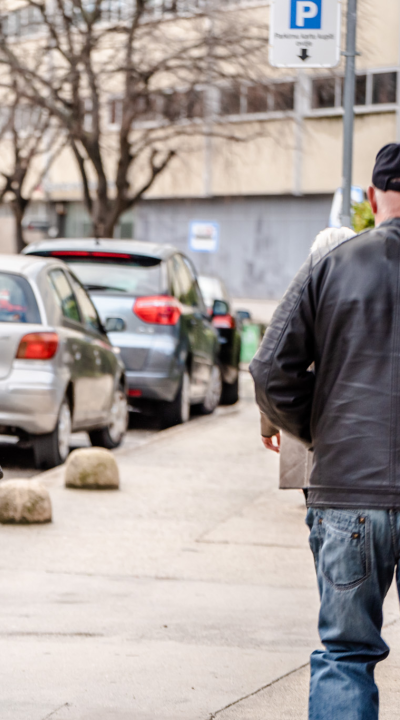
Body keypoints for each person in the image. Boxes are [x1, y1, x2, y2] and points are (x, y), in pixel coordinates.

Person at [251, 143, 400, 720]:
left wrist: (323, 427)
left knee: (345, 654)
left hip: (348, 496)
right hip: (353, 489)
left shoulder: (333, 264)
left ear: (370, 198)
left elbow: (269, 370)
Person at [258, 227, 355, 495]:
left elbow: (274, 364)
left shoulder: (304, 295)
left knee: (313, 497)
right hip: (347, 432)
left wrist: (270, 424)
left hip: (307, 424)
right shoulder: (358, 296)